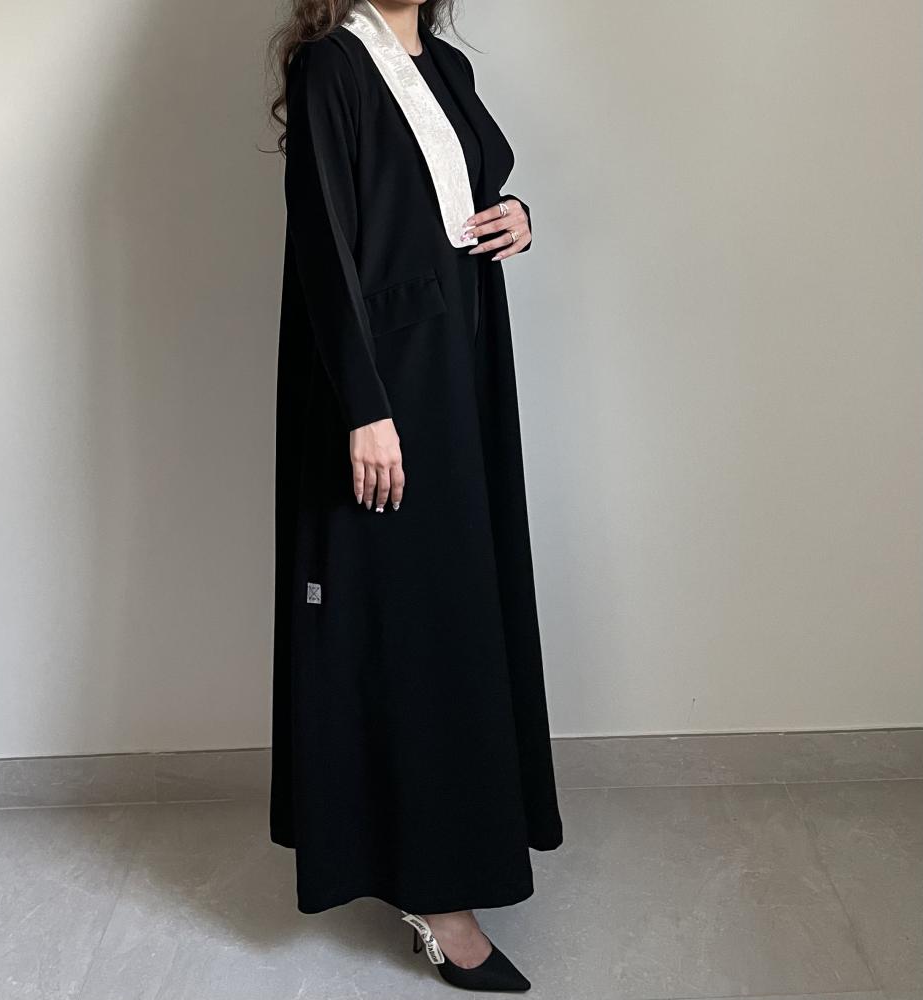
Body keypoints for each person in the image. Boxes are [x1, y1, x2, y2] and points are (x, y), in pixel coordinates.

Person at [268, 0, 563, 990]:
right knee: (404, 626)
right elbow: (323, 244)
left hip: (461, 370)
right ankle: (435, 895)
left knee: (455, 615)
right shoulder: (332, 67)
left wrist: (519, 217)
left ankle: (455, 850)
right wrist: (364, 407)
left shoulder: (445, 67)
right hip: (387, 385)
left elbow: (468, 191)